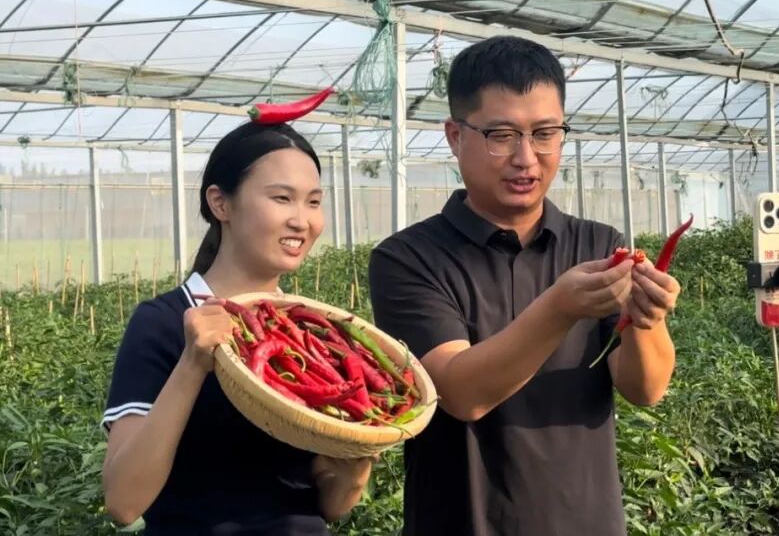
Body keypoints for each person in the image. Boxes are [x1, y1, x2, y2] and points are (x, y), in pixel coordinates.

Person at [368, 35, 681, 536]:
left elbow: (645, 389)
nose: (526, 158)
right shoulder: (409, 259)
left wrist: (646, 317)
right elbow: (460, 393)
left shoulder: (598, 245)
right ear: (455, 136)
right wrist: (559, 307)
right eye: (502, 135)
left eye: (545, 133)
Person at [100, 121, 373, 535]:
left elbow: (328, 506)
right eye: (282, 198)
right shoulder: (164, 323)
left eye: (314, 202)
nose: (302, 220)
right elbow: (123, 502)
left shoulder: (309, 333)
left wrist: (354, 468)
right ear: (220, 203)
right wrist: (192, 364)